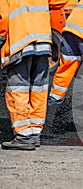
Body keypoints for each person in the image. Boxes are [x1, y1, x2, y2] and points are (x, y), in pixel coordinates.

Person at [0, 0, 68, 150]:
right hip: (43, 41)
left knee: (18, 88)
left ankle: (23, 136)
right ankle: (34, 132)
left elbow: (3, 18)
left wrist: (2, 38)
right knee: (39, 88)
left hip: (21, 42)